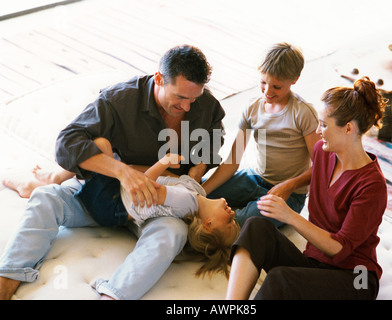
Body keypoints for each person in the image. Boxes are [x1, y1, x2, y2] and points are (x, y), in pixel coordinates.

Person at [0, 44, 226, 300]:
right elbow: (67, 142)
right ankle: (7, 281)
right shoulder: (119, 100)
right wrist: (123, 172)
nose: (187, 107)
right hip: (109, 194)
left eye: (193, 99)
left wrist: (196, 173)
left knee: (174, 232)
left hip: (160, 206)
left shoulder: (206, 106)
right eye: (180, 98)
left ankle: (113, 295)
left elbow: (214, 141)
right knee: (47, 199)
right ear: (160, 79)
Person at [225, 77, 388, 300]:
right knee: (255, 228)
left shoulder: (372, 185)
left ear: (348, 128)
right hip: (316, 263)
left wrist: (290, 216)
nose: (318, 131)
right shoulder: (323, 151)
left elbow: (340, 248)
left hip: (356, 279)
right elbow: (318, 176)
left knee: (280, 280)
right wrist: (290, 184)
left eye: (324, 124)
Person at [77, 137, 240, 278]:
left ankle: (61, 176)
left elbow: (145, 185)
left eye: (229, 221)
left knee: (101, 145)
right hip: (116, 207)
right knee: (108, 156)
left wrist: (165, 161)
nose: (232, 213)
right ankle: (73, 176)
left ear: (209, 224)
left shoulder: (187, 202)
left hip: (111, 203)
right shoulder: (197, 194)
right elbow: (174, 181)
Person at [202, 42, 320, 228]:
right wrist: (200, 192)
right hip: (254, 178)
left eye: (277, 87)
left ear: (295, 79)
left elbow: (323, 165)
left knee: (240, 223)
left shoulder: (303, 113)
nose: (267, 91)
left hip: (290, 193)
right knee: (201, 196)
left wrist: (289, 186)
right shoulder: (252, 108)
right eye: (263, 83)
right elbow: (233, 161)